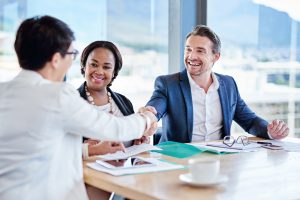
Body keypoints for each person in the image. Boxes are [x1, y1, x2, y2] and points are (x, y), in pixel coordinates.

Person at [0, 15, 157, 200]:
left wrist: (90, 150)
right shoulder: (58, 96)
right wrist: (147, 117)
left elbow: (36, 146)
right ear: (56, 59)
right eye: (71, 54)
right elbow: (117, 128)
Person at [146, 25, 289, 144]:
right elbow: (154, 109)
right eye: (188, 49)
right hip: (179, 161)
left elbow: (250, 121)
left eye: (200, 51)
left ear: (216, 57)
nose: (192, 56)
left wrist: (270, 131)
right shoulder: (168, 84)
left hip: (219, 161)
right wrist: (148, 115)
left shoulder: (228, 84)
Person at [78, 40, 149, 158]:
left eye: (106, 67)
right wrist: (87, 148)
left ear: (114, 72)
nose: (99, 71)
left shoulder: (124, 102)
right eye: (94, 64)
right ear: (84, 66)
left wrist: (137, 143)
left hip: (122, 173)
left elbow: (130, 147)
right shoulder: (72, 102)